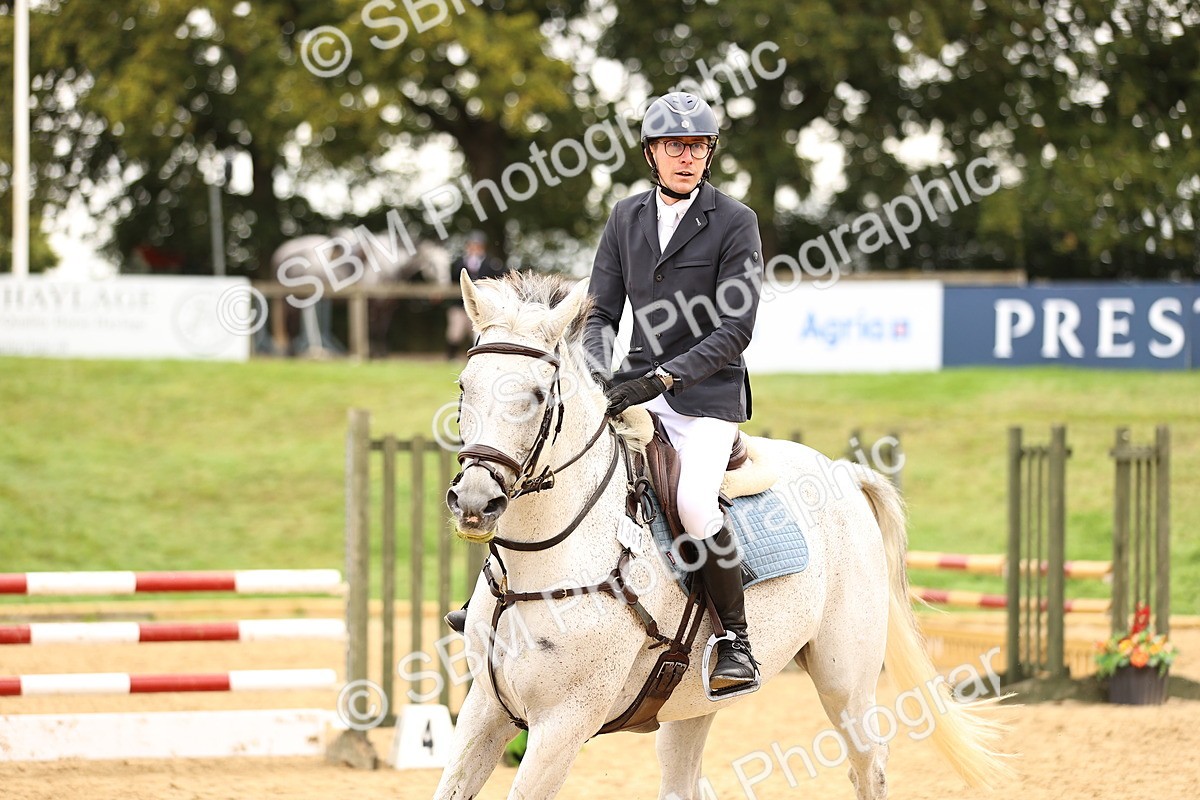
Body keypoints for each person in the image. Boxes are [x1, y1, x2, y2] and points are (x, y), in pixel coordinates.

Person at [582, 91, 764, 692]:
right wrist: (598, 377)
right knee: (558, 461)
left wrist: (665, 378)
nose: (686, 156)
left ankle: (735, 641)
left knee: (692, 503)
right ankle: (502, 599)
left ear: (708, 154)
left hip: (706, 396)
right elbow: (600, 314)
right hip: (634, 385)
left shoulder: (736, 221)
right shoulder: (624, 217)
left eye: (697, 146)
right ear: (651, 153)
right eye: (673, 145)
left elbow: (735, 329)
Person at [445, 230, 507, 359]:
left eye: (477, 245)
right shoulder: (459, 263)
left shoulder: (492, 263)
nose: (474, 248)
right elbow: (452, 281)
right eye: (471, 245)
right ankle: (450, 358)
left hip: (480, 305)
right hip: (460, 304)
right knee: (456, 331)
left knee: (475, 333)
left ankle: (474, 357)